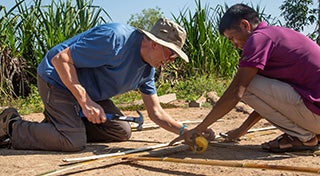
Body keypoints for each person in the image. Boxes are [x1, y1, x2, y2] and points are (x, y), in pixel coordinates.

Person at [0, 18, 206, 152]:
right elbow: (60, 60)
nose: (171, 61)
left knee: (121, 132)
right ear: (155, 43)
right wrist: (85, 101)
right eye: (171, 54)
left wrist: (185, 131)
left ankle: (60, 125)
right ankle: (11, 125)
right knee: (73, 141)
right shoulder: (115, 39)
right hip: (57, 79)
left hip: (88, 91)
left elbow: (156, 113)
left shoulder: (147, 71)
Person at [170, 4, 320, 153]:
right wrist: (241, 130)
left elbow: (237, 91)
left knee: (246, 84)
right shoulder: (273, 34)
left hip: (316, 114)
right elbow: (271, 103)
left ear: (244, 25)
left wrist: (198, 129)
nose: (235, 45)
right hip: (314, 111)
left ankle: (304, 138)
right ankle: (307, 134)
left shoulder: (258, 39)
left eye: (232, 38)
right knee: (251, 83)